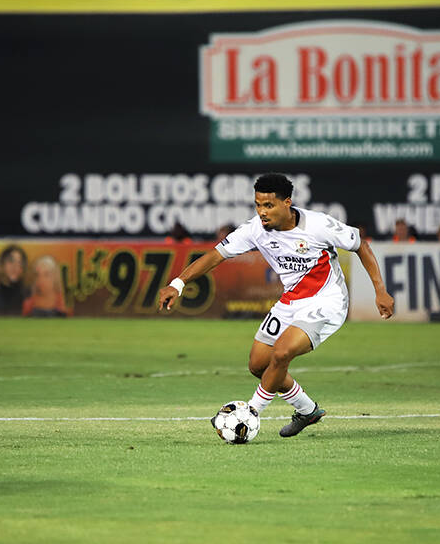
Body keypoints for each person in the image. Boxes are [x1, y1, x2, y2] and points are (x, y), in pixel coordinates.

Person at [157, 173, 394, 437]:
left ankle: (249, 413)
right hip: (290, 300)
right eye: (258, 205)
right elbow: (215, 255)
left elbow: (361, 245)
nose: (262, 212)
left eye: (268, 206)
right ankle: (307, 410)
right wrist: (177, 284)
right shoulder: (255, 230)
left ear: (287, 203)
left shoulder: (318, 225)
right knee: (258, 365)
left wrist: (380, 291)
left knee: (282, 353)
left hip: (327, 301)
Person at [0, 244, 28, 315]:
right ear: (0, 266)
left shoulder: (28, 297)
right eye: (11, 261)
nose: (15, 266)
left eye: (20, 263)